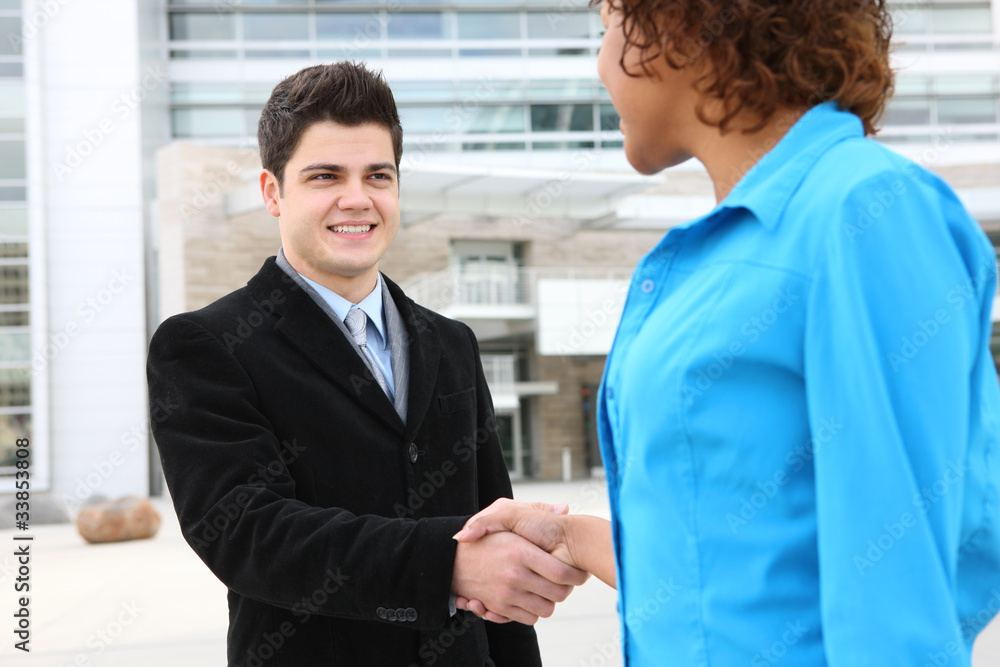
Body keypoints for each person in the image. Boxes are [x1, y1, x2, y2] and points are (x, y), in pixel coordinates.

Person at [454, 0, 1000, 664]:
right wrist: (574, 538)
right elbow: (746, 568)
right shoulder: (720, 247)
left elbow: (900, 596)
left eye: (605, 29)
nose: (600, 67)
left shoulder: (860, 210)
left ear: (684, 23)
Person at [146, 61, 587, 667]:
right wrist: (446, 565)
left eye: (378, 175)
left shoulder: (452, 342)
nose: (357, 198)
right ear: (273, 192)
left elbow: (493, 530)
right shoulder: (205, 345)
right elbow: (245, 532)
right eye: (326, 175)